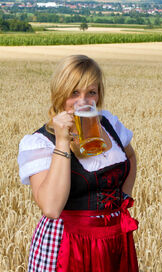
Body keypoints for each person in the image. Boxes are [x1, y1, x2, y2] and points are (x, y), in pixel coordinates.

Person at [17, 55, 139, 271]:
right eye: (74, 92)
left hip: (114, 241)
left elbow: (130, 156)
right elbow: (51, 208)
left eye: (91, 92)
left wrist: (124, 198)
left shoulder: (109, 124)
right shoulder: (41, 142)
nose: (83, 102)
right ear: (60, 93)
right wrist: (63, 142)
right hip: (67, 246)